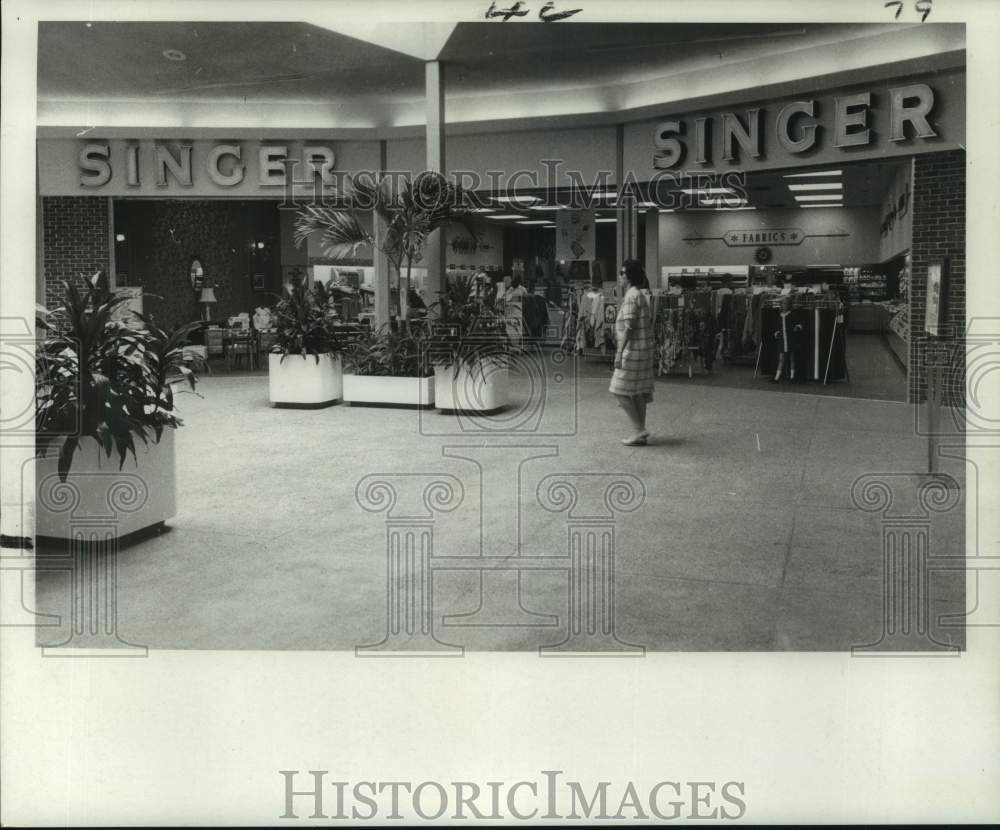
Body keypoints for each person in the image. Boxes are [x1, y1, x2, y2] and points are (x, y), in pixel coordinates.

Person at [609, 259, 655, 446]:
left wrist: (619, 353)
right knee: (638, 392)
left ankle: (638, 429)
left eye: (622, 273)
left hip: (632, 350)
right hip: (644, 350)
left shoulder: (630, 296)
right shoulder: (640, 295)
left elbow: (628, 327)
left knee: (618, 389)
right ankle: (639, 432)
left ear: (628, 276)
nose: (619, 276)